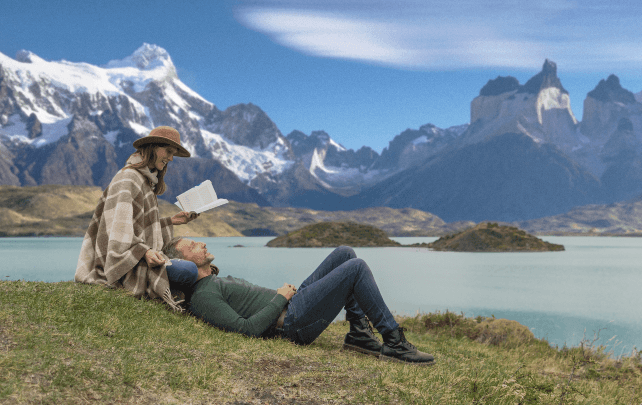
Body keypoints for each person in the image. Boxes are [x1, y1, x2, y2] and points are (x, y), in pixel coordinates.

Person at [166, 239, 435, 366]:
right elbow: (246, 330)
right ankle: (395, 342)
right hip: (291, 322)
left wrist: (283, 297)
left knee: (345, 253)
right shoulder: (203, 296)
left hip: (292, 305)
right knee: (356, 268)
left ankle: (359, 335)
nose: (202, 243)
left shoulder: (212, 281)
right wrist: (280, 298)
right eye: (192, 245)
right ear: (182, 263)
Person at [75, 126, 202, 309]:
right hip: (123, 265)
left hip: (136, 257)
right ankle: (185, 302)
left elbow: (137, 227)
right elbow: (118, 232)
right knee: (187, 270)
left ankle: (191, 301)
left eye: (173, 154)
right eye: (168, 151)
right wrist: (145, 252)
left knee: (193, 266)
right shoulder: (128, 178)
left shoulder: (145, 180)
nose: (171, 159)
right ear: (153, 147)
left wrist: (171, 221)